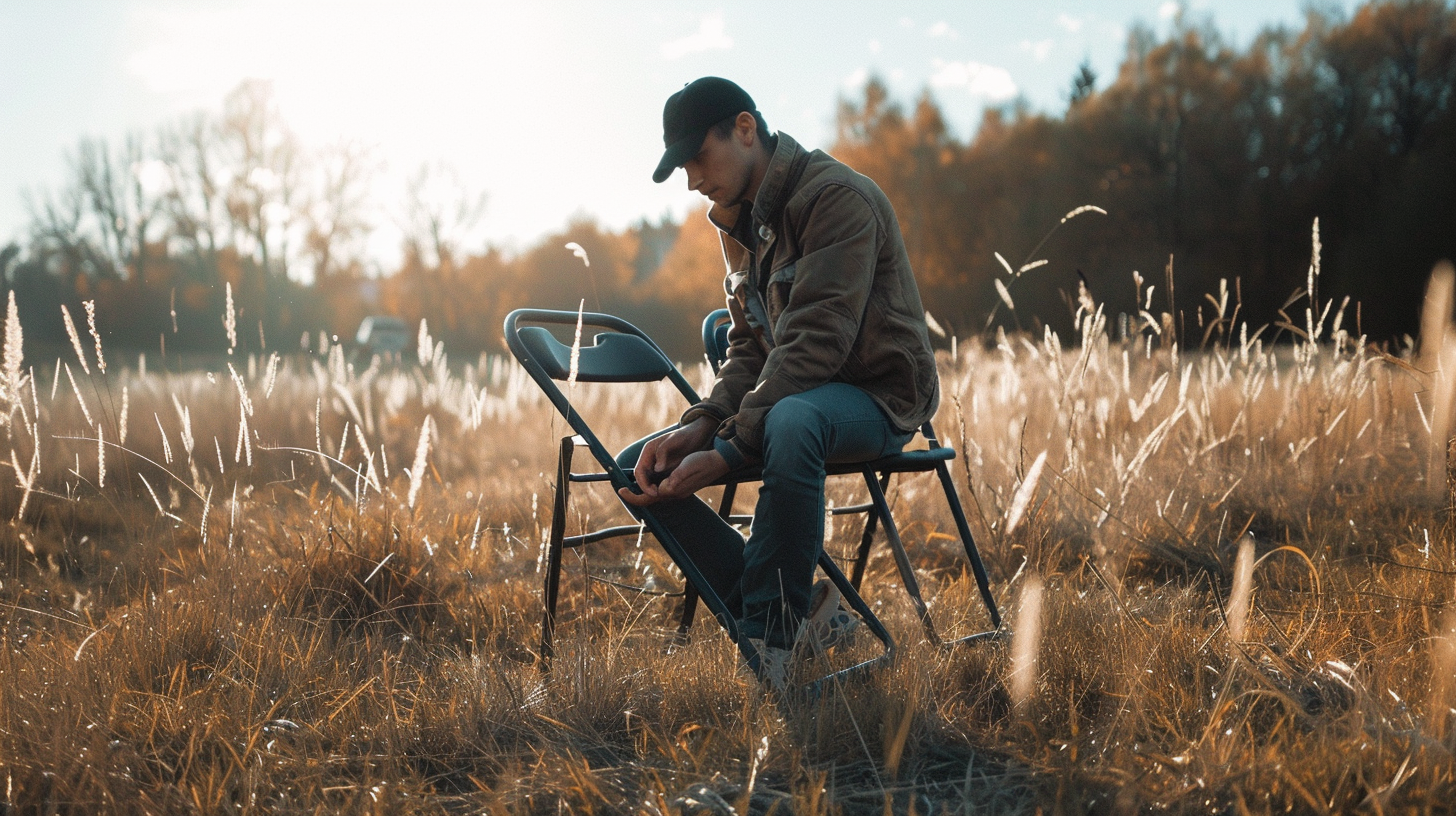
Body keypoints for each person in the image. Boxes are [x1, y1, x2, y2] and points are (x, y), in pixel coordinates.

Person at [617, 77, 940, 689]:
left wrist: (733, 449)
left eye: (697, 159)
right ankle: (805, 619)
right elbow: (751, 345)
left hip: (876, 394)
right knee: (637, 465)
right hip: (798, 395)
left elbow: (815, 343)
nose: (691, 181)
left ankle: (770, 639)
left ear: (744, 129)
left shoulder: (836, 198)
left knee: (795, 419)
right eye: (682, 167)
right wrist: (703, 424)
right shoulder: (737, 223)